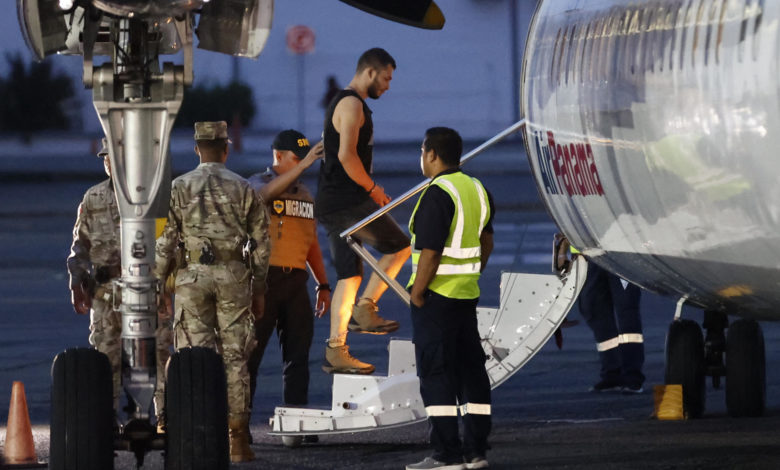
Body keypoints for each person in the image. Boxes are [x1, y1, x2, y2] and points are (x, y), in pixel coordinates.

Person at [154, 121, 271, 462]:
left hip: (191, 278)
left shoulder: (178, 187)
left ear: (196, 149)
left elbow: (165, 242)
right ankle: (237, 440)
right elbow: (262, 243)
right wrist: (259, 286)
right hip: (234, 275)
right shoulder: (244, 188)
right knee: (235, 358)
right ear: (226, 147)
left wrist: (160, 284)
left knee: (193, 359)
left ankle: (197, 432)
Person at [315, 47, 411, 374]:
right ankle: (365, 310)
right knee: (399, 247)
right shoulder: (352, 104)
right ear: (370, 72)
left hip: (334, 201)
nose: (387, 86)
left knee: (349, 276)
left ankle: (336, 349)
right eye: (386, 78)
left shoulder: (345, 103)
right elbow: (346, 156)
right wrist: (373, 189)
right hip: (347, 201)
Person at [67, 138, 172, 429]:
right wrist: (76, 279)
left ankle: (165, 416)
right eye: (106, 158)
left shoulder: (153, 197)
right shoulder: (93, 198)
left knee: (159, 354)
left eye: (117, 157)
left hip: (146, 289)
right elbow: (80, 246)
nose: (110, 163)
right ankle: (107, 419)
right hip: (106, 294)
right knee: (105, 357)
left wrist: (165, 286)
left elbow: (169, 244)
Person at [406, 127, 494, 470]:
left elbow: (430, 251)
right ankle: (475, 451)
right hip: (466, 295)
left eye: (422, 151)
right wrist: (472, 272)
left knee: (437, 373)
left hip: (436, 298)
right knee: (472, 372)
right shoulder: (477, 189)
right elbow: (487, 240)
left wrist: (417, 293)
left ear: (431, 154)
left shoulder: (437, 193)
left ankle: (447, 454)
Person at [246, 130, 330, 414]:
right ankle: (238, 426)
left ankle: (297, 421)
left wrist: (323, 284)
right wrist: (305, 166)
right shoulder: (258, 182)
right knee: (249, 356)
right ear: (278, 156)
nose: (303, 164)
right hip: (264, 280)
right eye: (298, 159)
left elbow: (311, 241)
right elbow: (259, 197)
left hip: (295, 282)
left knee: (298, 358)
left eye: (306, 159)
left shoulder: (304, 193)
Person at [575, 254, 645, 394]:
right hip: (589, 257)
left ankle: (632, 376)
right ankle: (612, 374)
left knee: (627, 313)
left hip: (620, 255)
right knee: (594, 310)